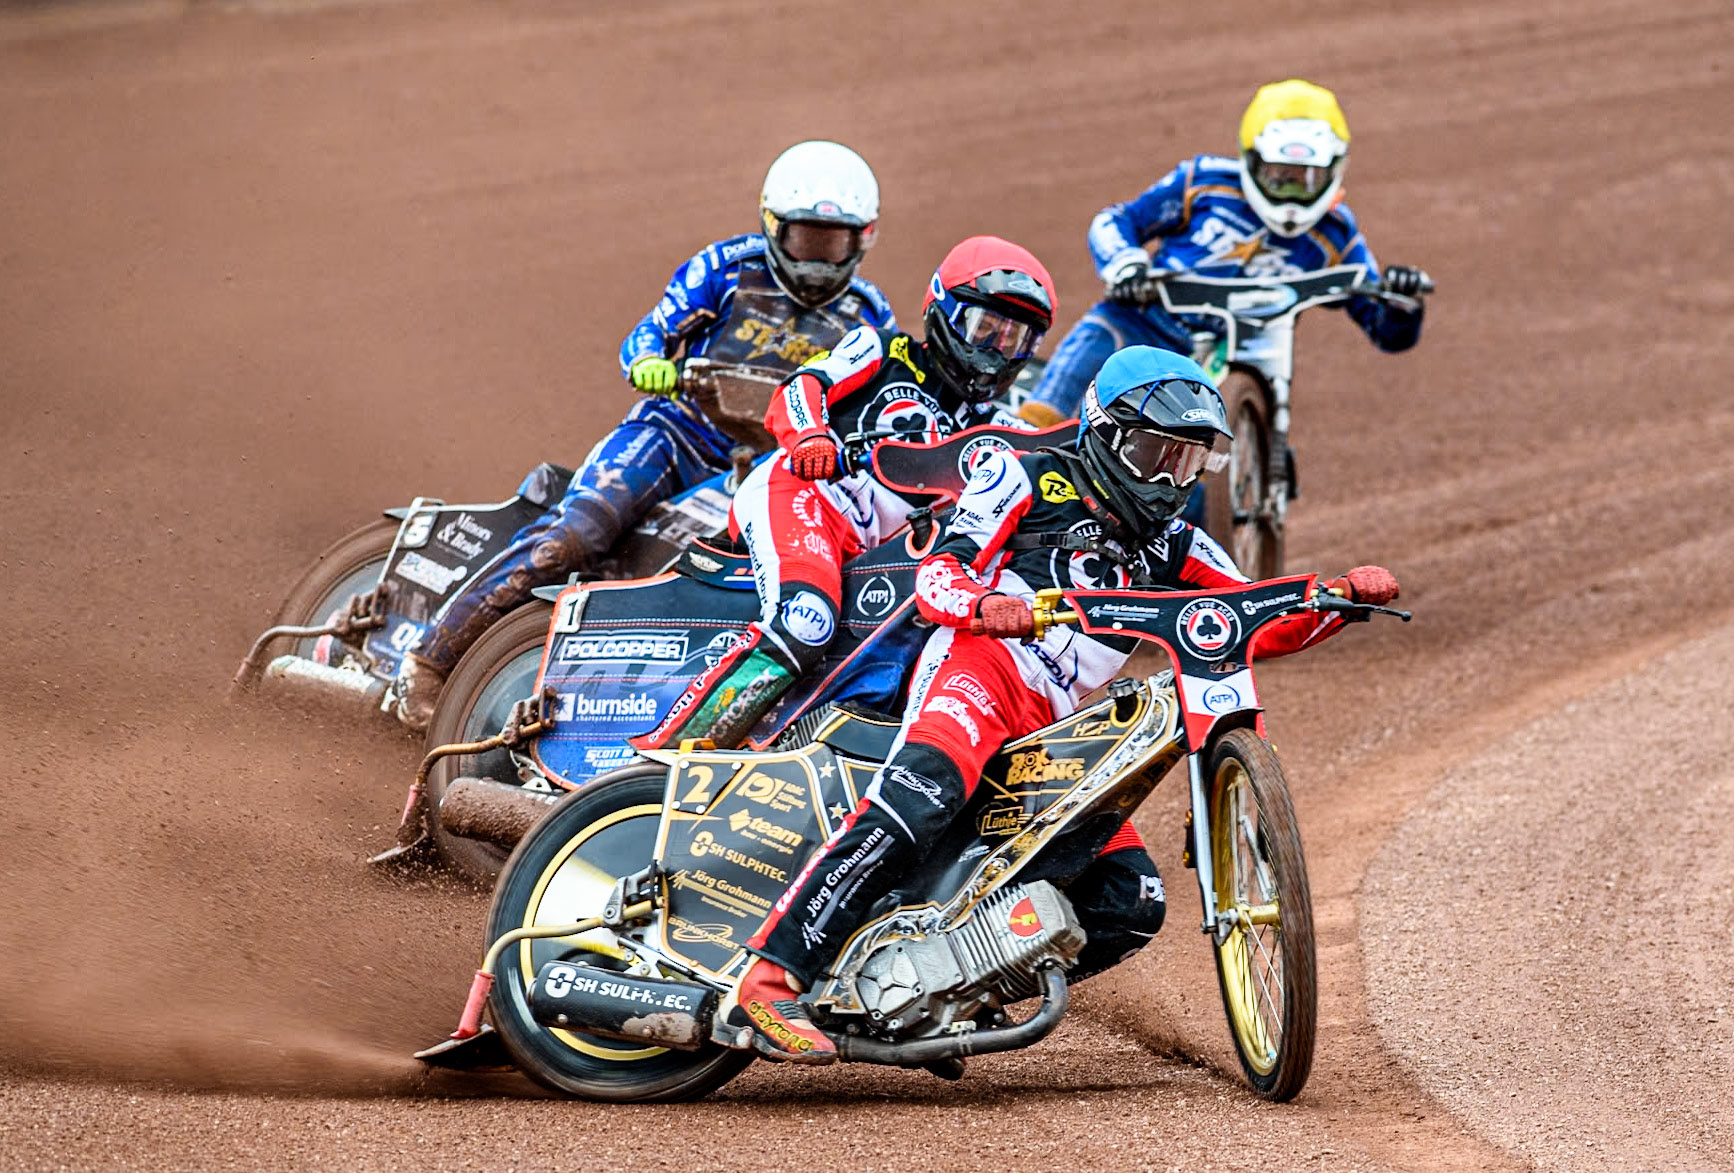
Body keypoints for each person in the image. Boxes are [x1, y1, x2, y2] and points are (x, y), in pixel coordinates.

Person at [721, 345, 1400, 1062]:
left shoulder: (1177, 544)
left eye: (1189, 462)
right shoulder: (1021, 474)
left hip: (1056, 723)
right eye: (1157, 455)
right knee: (920, 795)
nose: (1171, 481)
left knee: (1130, 900)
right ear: (1106, 434)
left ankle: (940, 994)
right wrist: (984, 605)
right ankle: (769, 978)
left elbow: (1252, 617)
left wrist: (1336, 599)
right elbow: (939, 576)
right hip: (981, 672)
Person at [393, 140, 894, 730]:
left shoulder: (870, 316)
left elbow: (876, 401)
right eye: (806, 240)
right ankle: (428, 661)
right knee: (577, 533)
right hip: (677, 433)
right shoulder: (726, 269)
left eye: (832, 244)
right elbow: (650, 334)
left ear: (862, 239)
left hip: (767, 472)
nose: (816, 262)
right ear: (773, 225)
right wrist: (650, 361)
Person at [633, 235, 1058, 752]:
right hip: (805, 495)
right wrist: (811, 436)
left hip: (873, 555)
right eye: (984, 328)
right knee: (806, 619)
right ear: (944, 310)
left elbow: (1054, 468)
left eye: (1014, 339)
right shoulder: (881, 348)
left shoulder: (1001, 431)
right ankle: (668, 754)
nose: (994, 350)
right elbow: (802, 386)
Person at [1021, 79, 1429, 424]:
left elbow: (1387, 331)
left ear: (1335, 170)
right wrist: (1126, 266)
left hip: (1241, 354)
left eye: (1307, 178)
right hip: (1148, 322)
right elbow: (1117, 220)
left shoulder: (1335, 234)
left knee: (1203, 465)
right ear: (1251, 159)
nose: (1291, 192)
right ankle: (1027, 433)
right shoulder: (1204, 182)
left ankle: (1253, 473)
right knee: (1086, 355)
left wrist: (1402, 303)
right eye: (1279, 176)